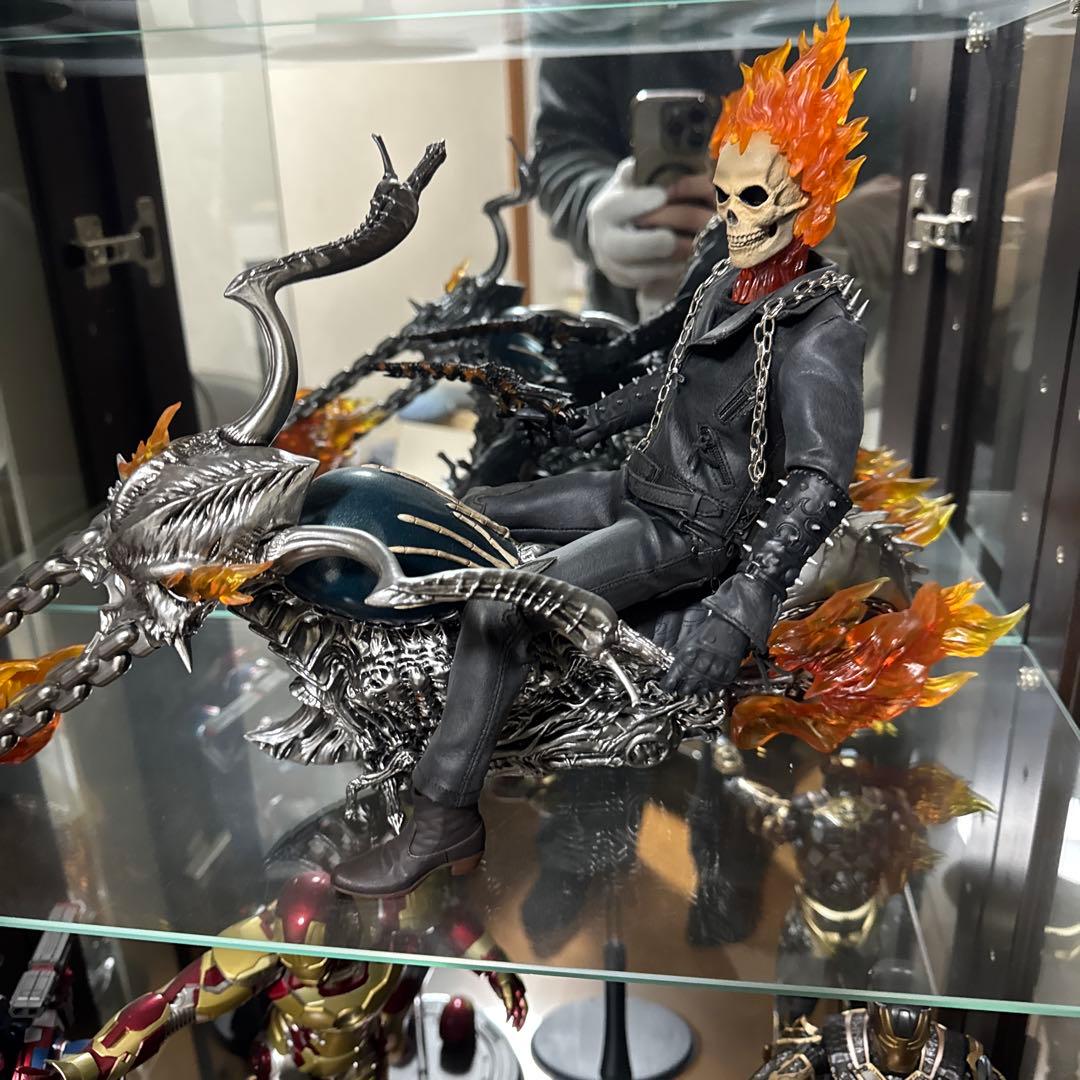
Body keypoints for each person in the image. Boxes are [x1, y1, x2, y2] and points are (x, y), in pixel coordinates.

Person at [331, 3, 868, 899]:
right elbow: (670, 381)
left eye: (755, 200)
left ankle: (442, 815)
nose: (731, 218)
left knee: (500, 605)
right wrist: (583, 423)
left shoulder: (817, 327)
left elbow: (819, 483)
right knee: (467, 515)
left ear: (808, 200)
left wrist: (739, 608)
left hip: (688, 533)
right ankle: (431, 700)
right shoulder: (730, 277)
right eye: (724, 193)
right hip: (635, 486)